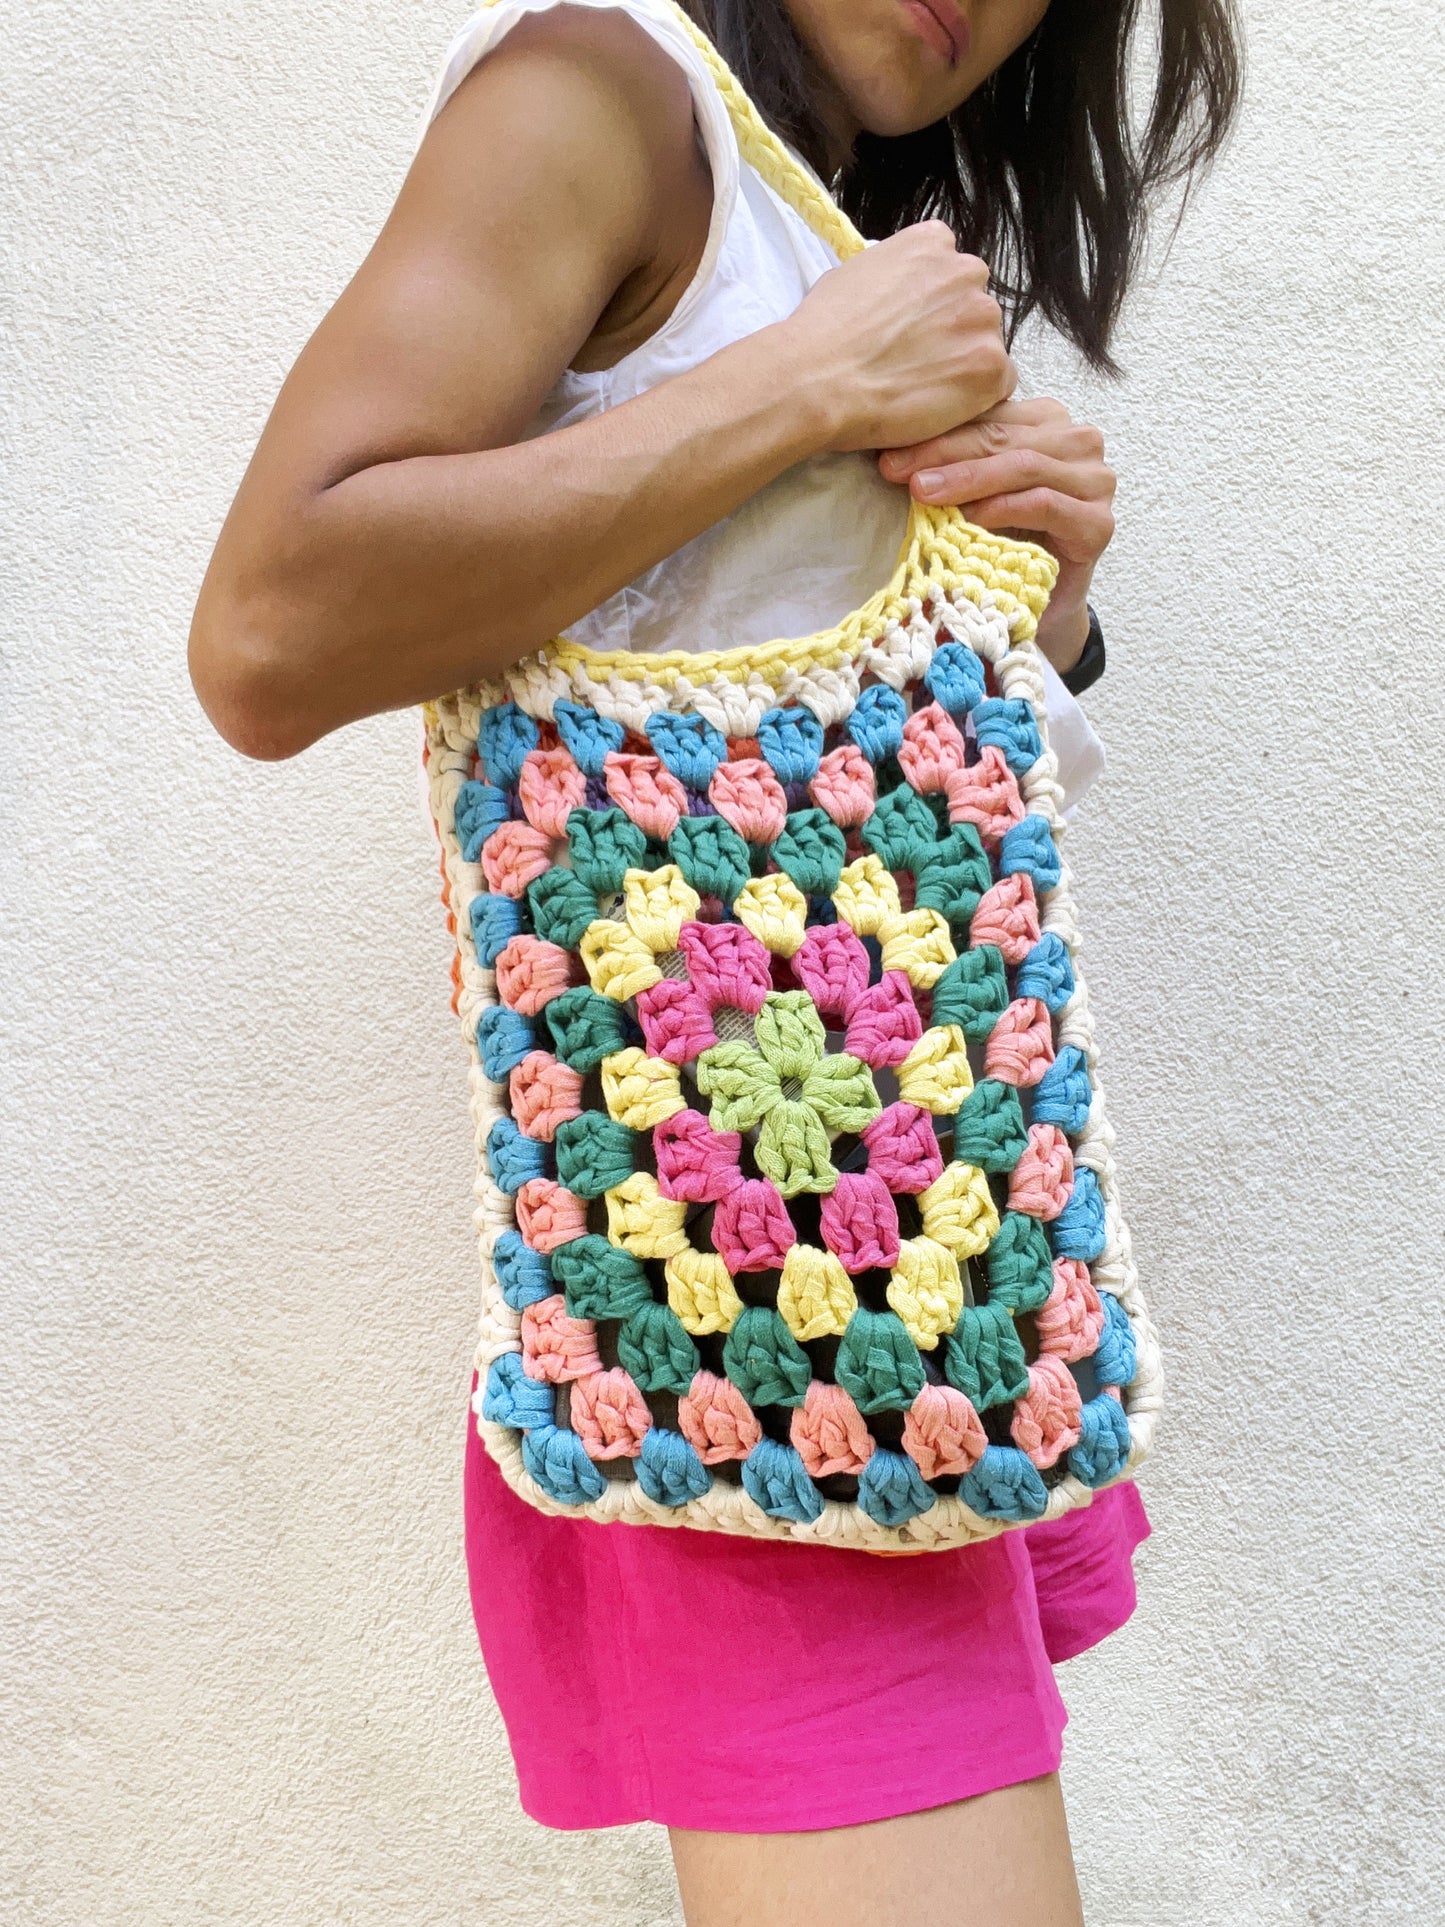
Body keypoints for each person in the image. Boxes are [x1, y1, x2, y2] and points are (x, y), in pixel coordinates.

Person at [189, 1, 1240, 1919]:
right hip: (749, 1330)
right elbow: (268, 632)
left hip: (899, 1305)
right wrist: (801, 387)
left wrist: (1044, 614)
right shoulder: (601, 88)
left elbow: (868, 796)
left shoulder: (801, 215)